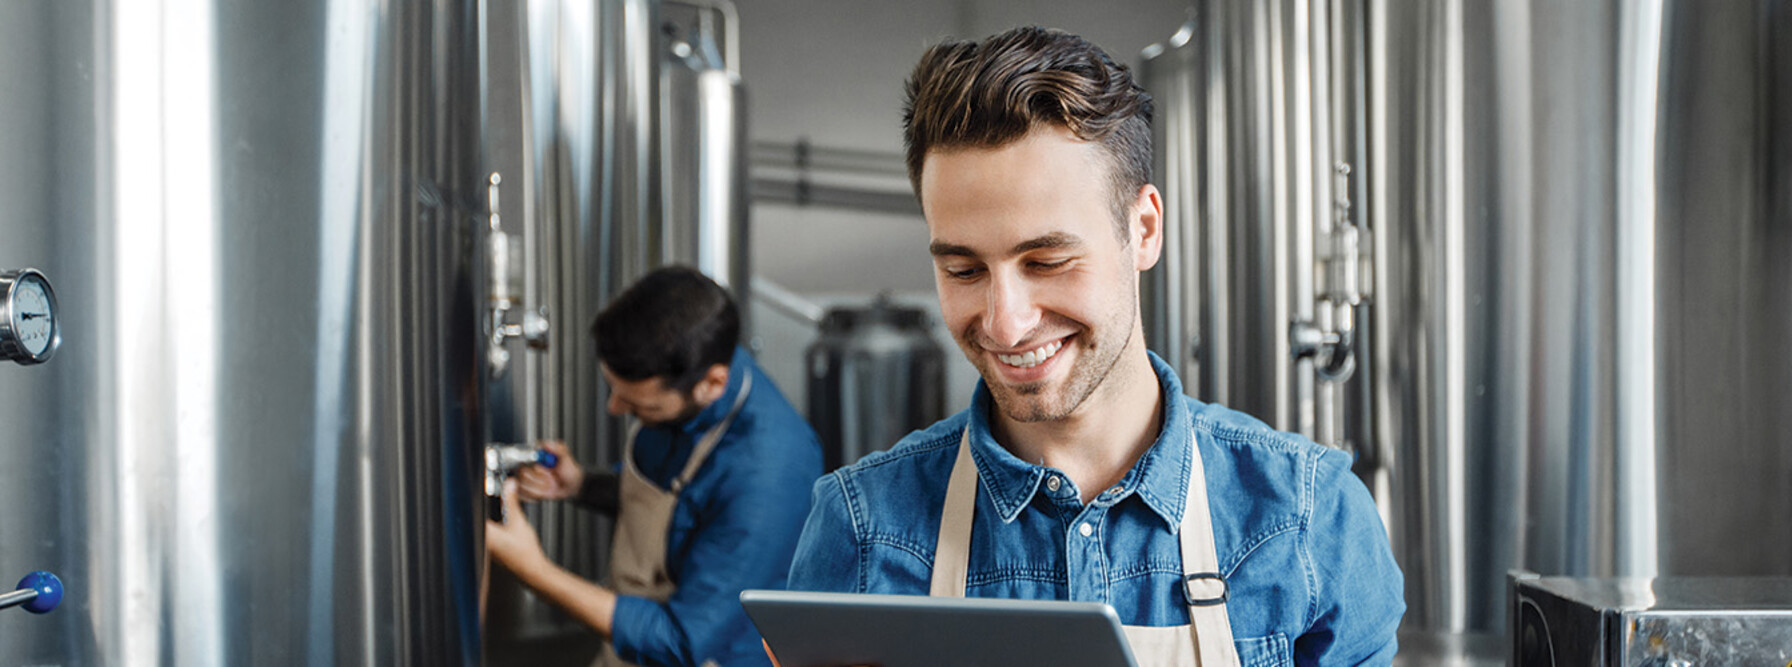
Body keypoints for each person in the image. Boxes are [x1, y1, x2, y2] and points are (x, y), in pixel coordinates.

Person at [784, 27, 1404, 665]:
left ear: (1143, 230)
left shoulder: (1308, 518)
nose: (1005, 323)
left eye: (1047, 260)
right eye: (964, 271)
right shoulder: (861, 529)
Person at [488, 266, 823, 667]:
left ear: (713, 384)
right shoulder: (695, 362)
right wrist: (581, 485)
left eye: (639, 406)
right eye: (614, 390)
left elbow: (682, 642)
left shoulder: (769, 474)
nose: (615, 409)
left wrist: (534, 570)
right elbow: (683, 512)